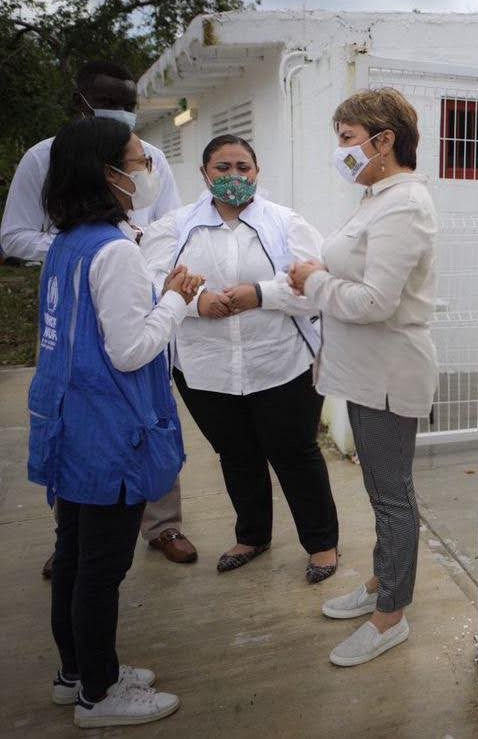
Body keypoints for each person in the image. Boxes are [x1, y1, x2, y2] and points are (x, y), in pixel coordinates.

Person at [27, 117, 201, 727]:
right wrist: (176, 298)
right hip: (108, 433)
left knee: (73, 557)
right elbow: (129, 350)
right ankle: (99, 695)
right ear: (108, 174)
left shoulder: (68, 244)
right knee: (100, 570)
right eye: (137, 160)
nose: (146, 170)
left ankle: (74, 671)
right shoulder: (116, 251)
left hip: (71, 426)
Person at [1, 60, 196, 574]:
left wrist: (139, 260)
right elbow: (15, 236)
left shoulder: (148, 158)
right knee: (92, 431)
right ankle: (85, 537)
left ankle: (158, 524)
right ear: (80, 102)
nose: (125, 116)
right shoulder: (47, 159)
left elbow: (170, 225)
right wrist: (104, 249)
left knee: (145, 418)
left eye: (129, 105)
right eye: (111, 102)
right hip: (90, 302)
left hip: (140, 289)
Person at [141, 134, 340, 582]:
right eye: (222, 168)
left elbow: (319, 287)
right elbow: (150, 284)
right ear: (204, 174)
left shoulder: (286, 224)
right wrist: (196, 304)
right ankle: (252, 536)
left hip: (282, 364)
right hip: (206, 369)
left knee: (295, 454)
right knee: (236, 455)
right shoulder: (174, 228)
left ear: (257, 171)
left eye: (243, 168)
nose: (234, 177)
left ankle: (322, 544)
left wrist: (261, 295)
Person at [289, 88, 438, 665]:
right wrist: (293, 286)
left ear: (385, 140)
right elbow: (340, 273)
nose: (342, 151)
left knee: (392, 496)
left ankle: (390, 616)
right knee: (381, 493)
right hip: (363, 372)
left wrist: (314, 283)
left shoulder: (405, 204)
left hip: (389, 373)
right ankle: (383, 581)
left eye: (348, 139)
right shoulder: (377, 197)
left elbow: (377, 300)